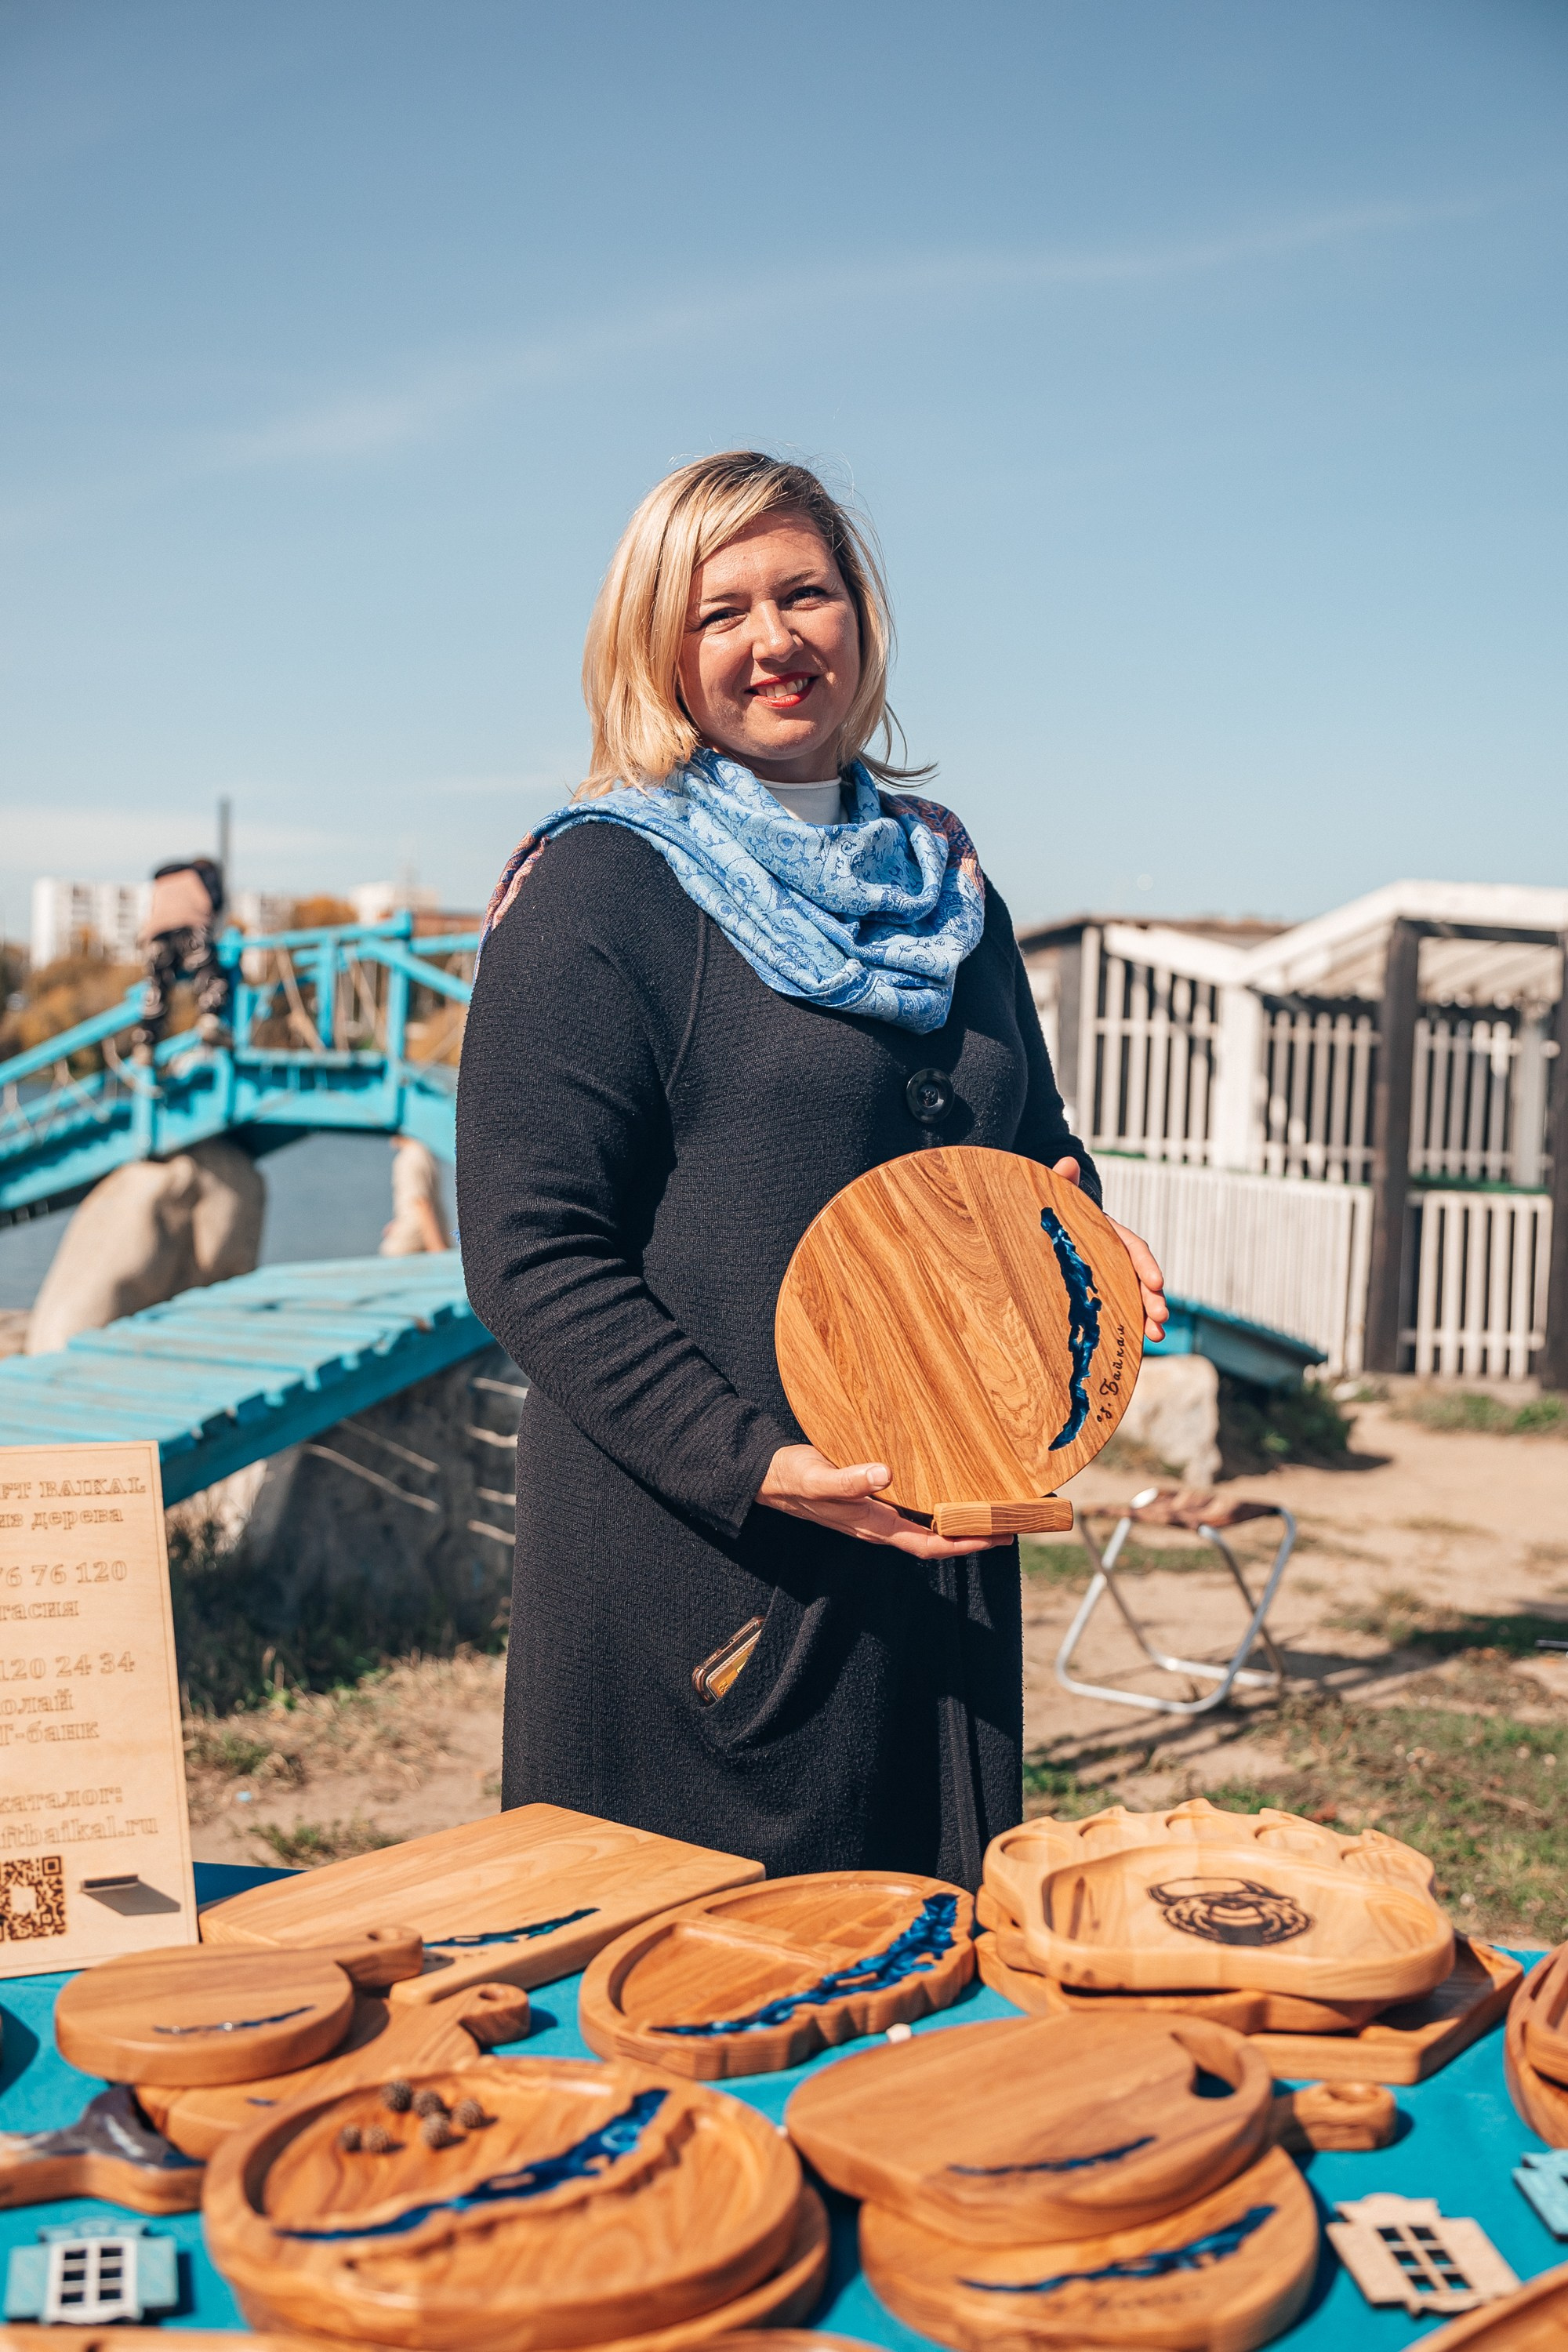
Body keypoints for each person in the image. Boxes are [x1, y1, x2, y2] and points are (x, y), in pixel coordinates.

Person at [457, 451, 1167, 1888]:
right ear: (657, 646)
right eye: (721, 611)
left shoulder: (948, 887)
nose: (774, 640)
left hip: (939, 1550)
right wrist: (759, 1464)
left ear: (862, 618)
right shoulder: (602, 891)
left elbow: (1025, 1143)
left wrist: (1085, 1234)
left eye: (807, 594)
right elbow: (532, 1253)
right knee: (689, 2035)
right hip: (711, 1566)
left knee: (918, 2011)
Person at [132, 856, 230, 1063]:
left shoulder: (162, 881)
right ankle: (209, 1018)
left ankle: (145, 1043)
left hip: (157, 935)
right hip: (190, 928)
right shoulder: (199, 874)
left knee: (157, 987)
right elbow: (213, 901)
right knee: (210, 975)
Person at [380, 1134, 452, 1255]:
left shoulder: (411, 1156)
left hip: (417, 1238)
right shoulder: (423, 1153)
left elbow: (421, 1202)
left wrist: (437, 1247)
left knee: (389, 1251)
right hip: (427, 1230)